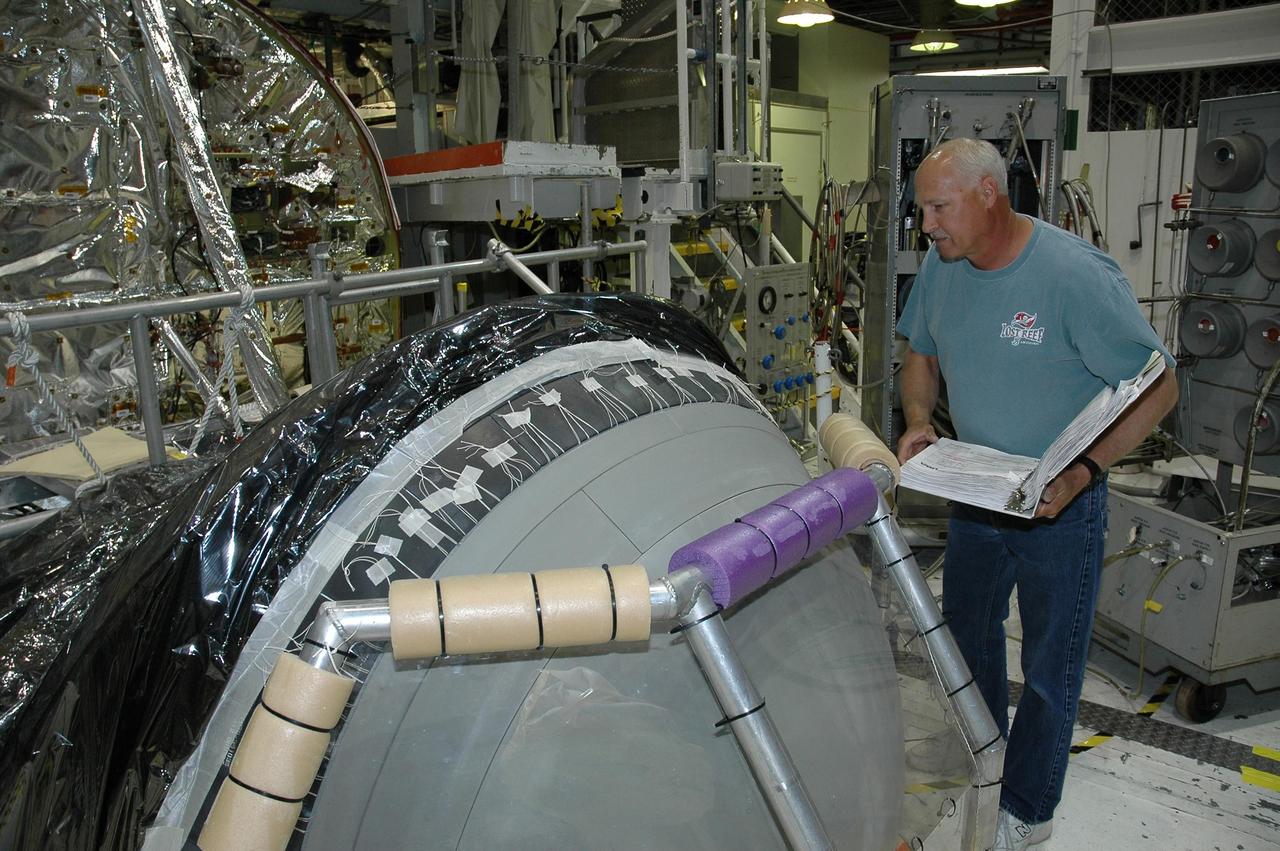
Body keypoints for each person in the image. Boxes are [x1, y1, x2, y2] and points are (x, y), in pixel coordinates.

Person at [894, 138, 1178, 851]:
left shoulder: (1073, 276)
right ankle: (985, 765)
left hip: (1061, 505)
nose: (926, 223)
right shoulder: (943, 264)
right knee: (968, 641)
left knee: (1051, 664)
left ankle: (1027, 806)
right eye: (922, 208)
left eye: (938, 206)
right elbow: (919, 349)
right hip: (977, 493)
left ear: (988, 193)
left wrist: (1085, 470)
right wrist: (921, 422)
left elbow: (1160, 384)